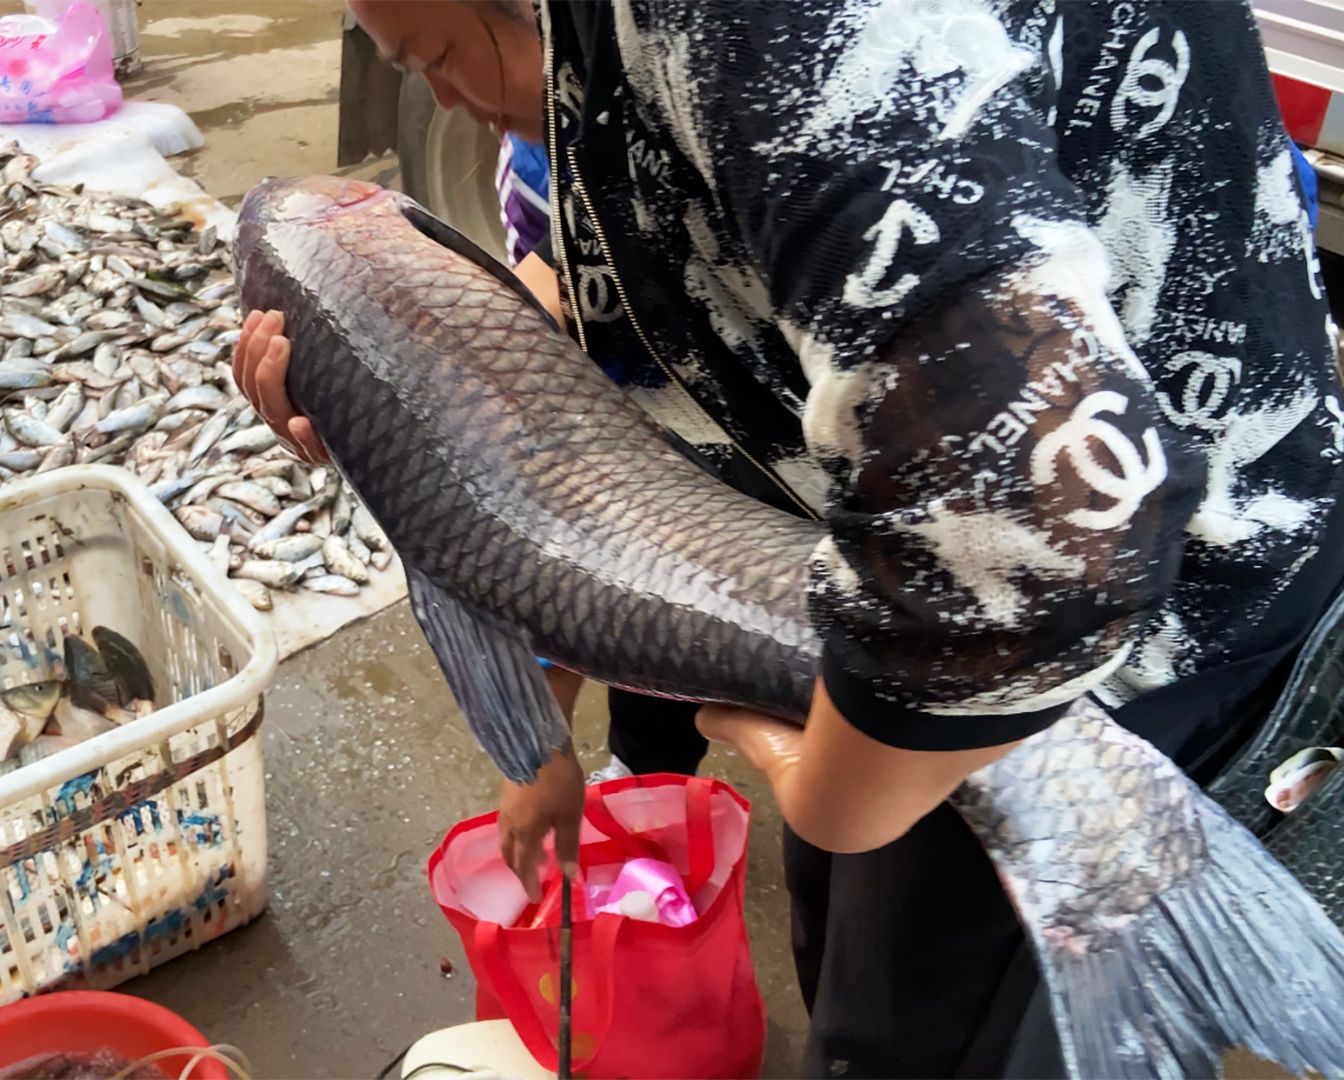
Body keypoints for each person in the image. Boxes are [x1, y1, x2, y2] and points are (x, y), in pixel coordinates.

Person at [236, 1, 1344, 1075]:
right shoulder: (629, 63)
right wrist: (409, 412)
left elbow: (1029, 515)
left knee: (924, 1027)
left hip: (1113, 627)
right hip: (884, 578)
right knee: (852, 954)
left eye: (435, 50)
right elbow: (714, 244)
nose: (445, 96)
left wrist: (831, 793)